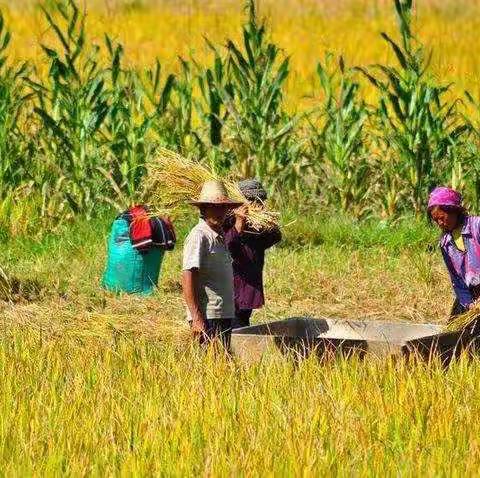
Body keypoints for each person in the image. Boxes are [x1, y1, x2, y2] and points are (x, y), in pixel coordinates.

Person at [182, 180, 243, 346]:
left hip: (223, 314)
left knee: (220, 366)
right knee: (210, 366)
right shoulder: (199, 236)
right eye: (214, 207)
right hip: (208, 316)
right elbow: (188, 275)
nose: (219, 212)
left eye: (222, 207)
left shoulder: (219, 235)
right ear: (203, 209)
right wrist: (196, 317)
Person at [224, 179, 281, 329]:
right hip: (229, 293)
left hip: (247, 290)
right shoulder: (227, 221)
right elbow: (228, 246)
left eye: (260, 202)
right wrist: (239, 223)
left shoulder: (256, 226)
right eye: (253, 201)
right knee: (232, 329)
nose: (258, 205)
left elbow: (275, 237)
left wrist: (266, 221)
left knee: (242, 324)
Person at [428, 186, 480, 322]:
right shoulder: (445, 244)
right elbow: (456, 279)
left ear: (454, 211)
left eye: (442, 218)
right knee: (455, 337)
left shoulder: (477, 227)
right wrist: (469, 303)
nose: (440, 223)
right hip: (472, 296)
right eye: (436, 220)